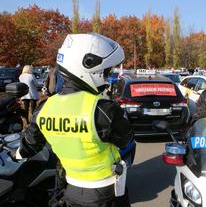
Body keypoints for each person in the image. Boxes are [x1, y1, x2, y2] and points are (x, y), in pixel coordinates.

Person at [17, 33, 134, 207]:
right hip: (106, 192)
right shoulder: (102, 109)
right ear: (89, 68)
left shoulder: (44, 108)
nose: (107, 77)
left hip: (70, 189)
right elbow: (126, 139)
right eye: (106, 72)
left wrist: (18, 153)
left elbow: (27, 147)